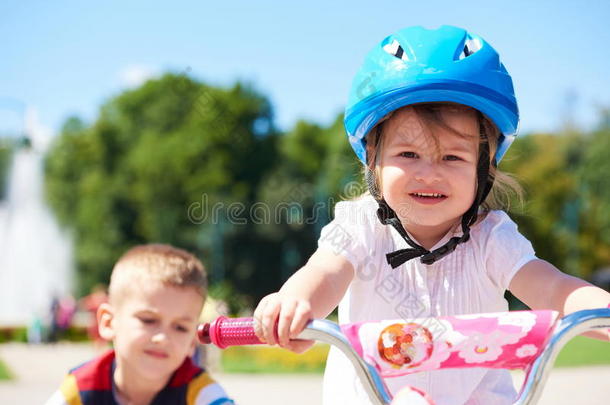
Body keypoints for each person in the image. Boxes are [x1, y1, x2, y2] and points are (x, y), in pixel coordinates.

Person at [253, 25, 610, 405]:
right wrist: (295, 301)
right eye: (408, 154)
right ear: (373, 160)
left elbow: (551, 287)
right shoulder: (359, 227)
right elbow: (325, 272)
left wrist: (596, 309)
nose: (429, 172)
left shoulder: (492, 238)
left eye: (452, 157)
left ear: (483, 168)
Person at [45, 244, 234, 405]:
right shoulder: (81, 389)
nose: (163, 338)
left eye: (180, 327)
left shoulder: (200, 393)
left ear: (192, 342)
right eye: (148, 320)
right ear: (109, 322)